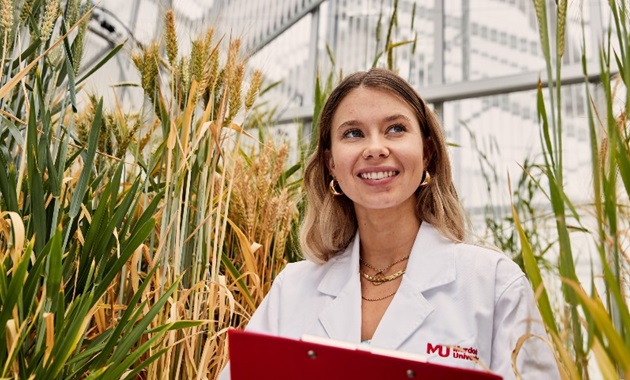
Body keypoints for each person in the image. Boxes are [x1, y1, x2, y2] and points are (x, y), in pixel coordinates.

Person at [219, 68, 560, 379]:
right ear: (331, 164)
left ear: (427, 152)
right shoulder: (292, 290)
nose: (375, 148)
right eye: (353, 133)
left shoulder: (494, 284)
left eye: (395, 129)